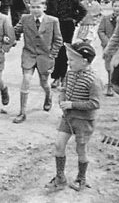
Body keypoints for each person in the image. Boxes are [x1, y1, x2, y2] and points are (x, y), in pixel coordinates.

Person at [45, 42, 100, 192]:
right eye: (68, 59)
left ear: (84, 61)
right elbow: (65, 87)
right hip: (68, 118)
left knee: (81, 150)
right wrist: (62, 96)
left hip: (84, 121)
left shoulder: (93, 80)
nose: (68, 63)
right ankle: (60, 177)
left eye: (72, 60)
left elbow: (95, 103)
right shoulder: (70, 73)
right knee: (58, 144)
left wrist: (72, 104)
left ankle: (81, 178)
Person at [13, 0, 63, 123]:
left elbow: (58, 40)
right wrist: (8, 35)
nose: (35, 10)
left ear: (44, 7)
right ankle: (22, 112)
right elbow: (16, 30)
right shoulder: (25, 19)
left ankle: (48, 95)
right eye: (32, 7)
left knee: (44, 83)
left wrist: (52, 54)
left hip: (45, 57)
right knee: (26, 79)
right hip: (29, 54)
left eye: (38, 7)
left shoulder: (53, 21)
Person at [46, 0, 87, 89]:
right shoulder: (52, 0)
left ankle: (63, 76)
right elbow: (47, 13)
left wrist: (75, 20)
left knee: (64, 51)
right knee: (55, 50)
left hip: (67, 27)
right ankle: (55, 77)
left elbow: (83, 11)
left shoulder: (74, 0)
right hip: (55, 27)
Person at [99, 0, 119, 96]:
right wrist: (107, 47)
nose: (117, 8)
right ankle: (111, 86)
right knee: (111, 71)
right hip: (117, 51)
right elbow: (113, 35)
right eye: (115, 6)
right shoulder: (116, 18)